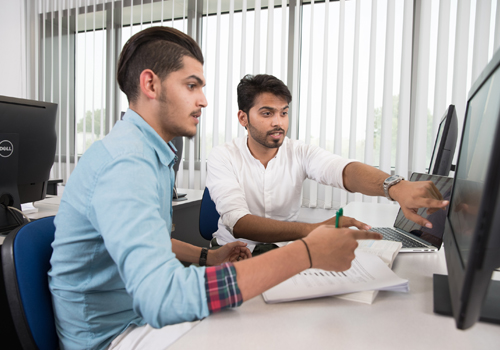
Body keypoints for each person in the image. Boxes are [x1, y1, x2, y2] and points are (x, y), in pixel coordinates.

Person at [48, 27, 383, 350]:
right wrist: (308, 252)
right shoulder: (125, 163)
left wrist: (208, 256)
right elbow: (164, 298)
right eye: (192, 86)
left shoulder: (149, 152)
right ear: (150, 84)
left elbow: (146, 239)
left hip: (135, 317)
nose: (204, 101)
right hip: (112, 335)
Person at [206, 74, 449, 254]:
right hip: (232, 253)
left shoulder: (299, 151)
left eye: (284, 112)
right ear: (243, 118)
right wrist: (312, 229)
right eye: (267, 113)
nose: (278, 122)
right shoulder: (222, 156)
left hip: (281, 252)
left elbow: (343, 170)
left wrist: (394, 186)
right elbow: (239, 223)